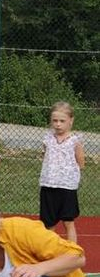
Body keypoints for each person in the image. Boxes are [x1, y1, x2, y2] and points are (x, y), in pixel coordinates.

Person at [39, 101, 84, 244]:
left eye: (62, 121)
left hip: (67, 187)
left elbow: (81, 162)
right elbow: (45, 155)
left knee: (68, 221)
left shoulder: (75, 141)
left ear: (71, 121)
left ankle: (72, 250)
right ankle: (49, 250)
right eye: (55, 121)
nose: (58, 124)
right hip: (48, 185)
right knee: (49, 224)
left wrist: (68, 174)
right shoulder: (47, 138)